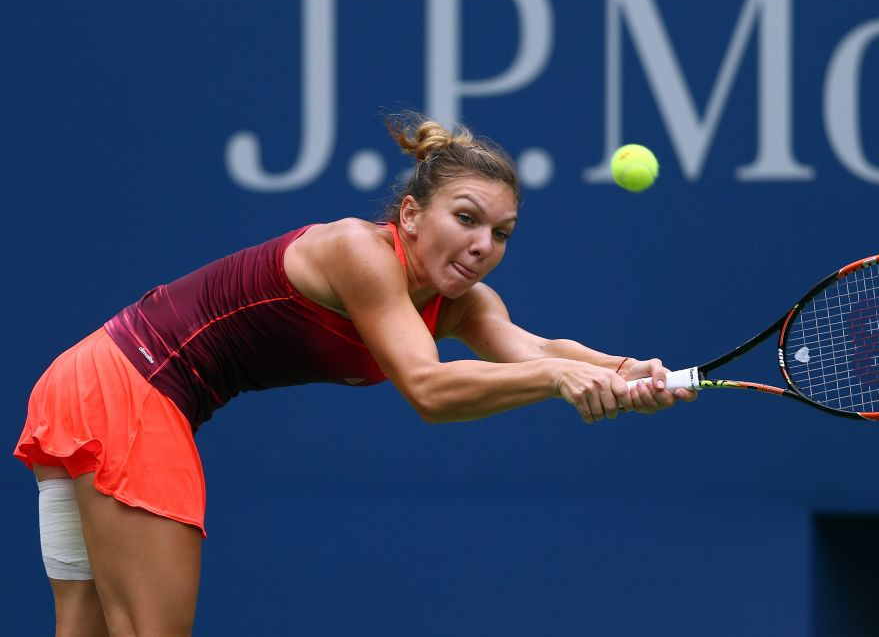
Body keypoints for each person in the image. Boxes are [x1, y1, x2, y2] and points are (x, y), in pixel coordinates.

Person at [14, 115, 696, 635]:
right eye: (466, 218)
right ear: (409, 214)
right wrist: (557, 379)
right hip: (131, 386)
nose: (483, 245)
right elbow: (429, 389)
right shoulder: (358, 253)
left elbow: (530, 344)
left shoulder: (460, 301)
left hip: (93, 375)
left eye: (502, 231)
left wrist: (624, 372)